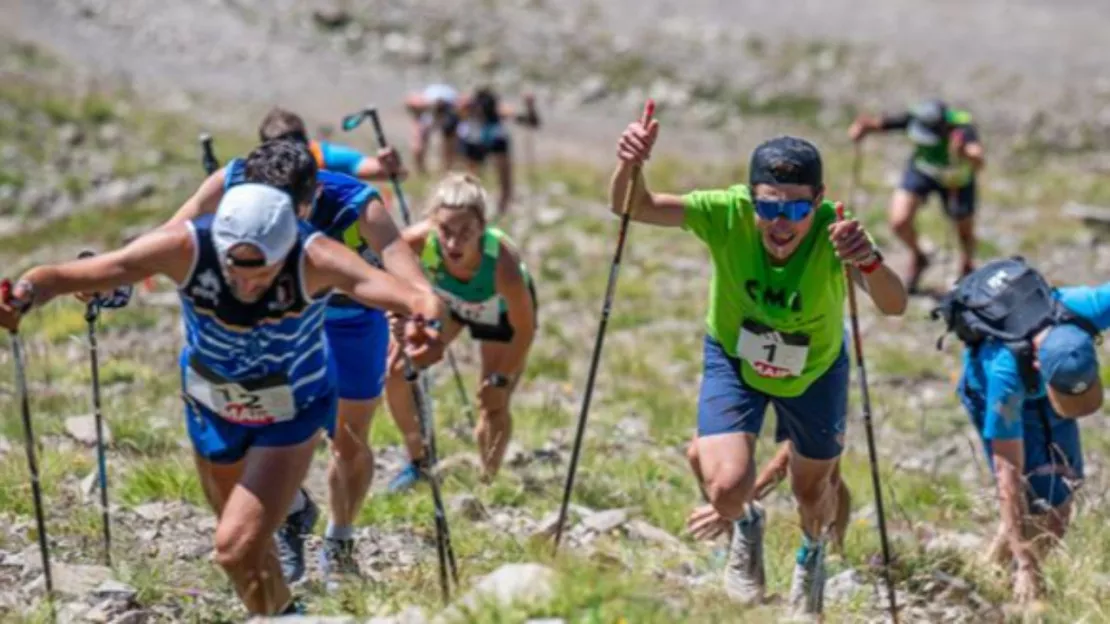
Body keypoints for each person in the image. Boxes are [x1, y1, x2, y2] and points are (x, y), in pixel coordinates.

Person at [0, 181, 442, 617]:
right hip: (212, 410)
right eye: (236, 267)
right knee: (249, 559)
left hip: (290, 411)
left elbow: (410, 293)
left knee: (232, 548)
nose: (249, 283)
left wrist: (427, 326)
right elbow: (62, 276)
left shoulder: (316, 253)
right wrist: (23, 296)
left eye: (264, 269)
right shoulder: (185, 247)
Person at [611, 116, 907, 616]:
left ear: (818, 201)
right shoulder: (724, 213)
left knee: (812, 491)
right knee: (727, 491)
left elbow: (895, 305)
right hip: (734, 358)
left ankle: (811, 555)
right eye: (767, 206)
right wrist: (630, 163)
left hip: (814, 373)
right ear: (750, 197)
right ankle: (746, 522)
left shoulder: (838, 233)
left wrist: (870, 261)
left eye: (795, 207)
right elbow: (630, 204)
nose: (781, 222)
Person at [168, 138, 447, 590]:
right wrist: (114, 285)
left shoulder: (356, 205)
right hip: (279, 320)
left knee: (349, 438)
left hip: (348, 320)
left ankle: (339, 540)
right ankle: (292, 513)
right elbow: (171, 233)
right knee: (253, 426)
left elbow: (404, 268)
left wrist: (422, 314)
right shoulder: (232, 181)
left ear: (309, 198)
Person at [933, 257, 1109, 603]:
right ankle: (1016, 585)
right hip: (992, 396)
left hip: (1042, 387)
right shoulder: (1004, 376)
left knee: (1058, 503)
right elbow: (1007, 476)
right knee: (1031, 500)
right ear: (1039, 364)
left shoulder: (1089, 308)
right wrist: (1027, 565)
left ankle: (987, 579)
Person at [384, 172, 537, 490]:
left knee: (492, 402)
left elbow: (526, 328)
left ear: (482, 226)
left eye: (465, 232)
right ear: (432, 223)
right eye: (445, 231)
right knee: (397, 371)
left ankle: (487, 482)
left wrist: (501, 379)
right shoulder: (418, 241)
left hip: (500, 315)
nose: (453, 243)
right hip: (451, 304)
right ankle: (418, 462)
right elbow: (383, 271)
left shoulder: (502, 265)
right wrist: (398, 312)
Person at [848, 98, 985, 293]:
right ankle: (919, 256)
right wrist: (864, 127)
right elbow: (882, 124)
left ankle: (967, 266)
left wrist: (964, 152)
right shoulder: (915, 117)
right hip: (924, 171)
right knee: (899, 221)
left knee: (964, 231)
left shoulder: (962, 127)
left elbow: (979, 161)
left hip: (956, 178)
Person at [405, 84, 540, 217]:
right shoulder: (464, 108)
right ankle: (463, 205)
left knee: (503, 178)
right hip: (473, 144)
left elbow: (530, 121)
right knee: (469, 179)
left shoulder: (496, 111)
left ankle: (500, 211)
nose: (479, 113)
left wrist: (530, 106)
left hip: (493, 141)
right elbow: (435, 116)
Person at [258, 106, 408, 183]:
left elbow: (396, 174)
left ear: (306, 142)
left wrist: (390, 165)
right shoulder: (260, 169)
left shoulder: (327, 157)